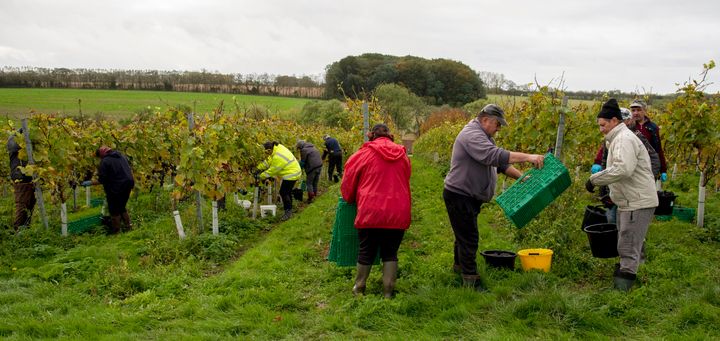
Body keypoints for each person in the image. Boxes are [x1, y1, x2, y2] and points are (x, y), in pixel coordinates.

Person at [443, 104, 545, 291]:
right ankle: (471, 281)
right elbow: (493, 156)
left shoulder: (484, 136)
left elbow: (497, 165)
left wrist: (520, 177)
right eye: (497, 124)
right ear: (485, 120)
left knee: (463, 235)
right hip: (460, 194)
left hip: (467, 195)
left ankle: (459, 269)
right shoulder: (472, 135)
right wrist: (528, 157)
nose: (499, 129)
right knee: (469, 237)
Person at [586, 99, 658, 291]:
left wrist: (595, 179)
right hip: (630, 200)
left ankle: (623, 294)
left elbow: (622, 169)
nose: (601, 129)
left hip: (637, 201)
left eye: (603, 125)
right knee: (626, 242)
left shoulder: (624, 140)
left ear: (614, 120)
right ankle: (628, 282)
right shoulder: (618, 138)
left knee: (628, 246)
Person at [341, 124, 411, 298]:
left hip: (370, 211)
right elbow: (406, 176)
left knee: (366, 250)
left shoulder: (362, 154)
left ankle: (359, 287)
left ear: (370, 135)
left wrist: (349, 198)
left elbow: (348, 181)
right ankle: (388, 292)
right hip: (397, 211)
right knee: (390, 252)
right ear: (390, 136)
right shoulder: (402, 155)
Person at [591, 108, 660, 224]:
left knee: (628, 232)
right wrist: (605, 187)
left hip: (632, 194)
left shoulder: (629, 138)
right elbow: (604, 157)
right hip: (616, 189)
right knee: (616, 226)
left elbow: (652, 159)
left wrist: (644, 180)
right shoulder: (612, 137)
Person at [82, 146, 135, 234]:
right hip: (128, 184)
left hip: (116, 187)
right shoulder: (121, 156)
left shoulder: (105, 161)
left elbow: (102, 180)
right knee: (121, 207)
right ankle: (129, 228)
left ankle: (116, 232)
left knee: (114, 211)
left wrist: (90, 183)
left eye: (100, 157)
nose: (100, 159)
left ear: (102, 154)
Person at [256, 141, 302, 220]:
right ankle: (290, 209)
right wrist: (258, 168)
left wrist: (260, 176)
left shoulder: (278, 157)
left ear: (269, 150)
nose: (266, 154)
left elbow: (272, 170)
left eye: (266, 152)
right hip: (293, 171)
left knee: (283, 192)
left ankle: (288, 212)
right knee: (287, 192)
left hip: (292, 174)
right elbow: (268, 161)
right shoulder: (277, 149)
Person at [630, 99, 667, 181]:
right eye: (633, 110)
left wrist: (663, 169)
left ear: (645, 111)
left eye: (639, 110)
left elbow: (658, 149)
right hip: (631, 165)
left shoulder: (653, 127)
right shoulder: (627, 126)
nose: (635, 113)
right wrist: (598, 161)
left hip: (649, 166)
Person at [7, 130, 36, 232]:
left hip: (29, 178)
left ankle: (25, 229)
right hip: (20, 178)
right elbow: (15, 146)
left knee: (30, 205)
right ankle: (17, 231)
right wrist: (26, 137)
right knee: (22, 205)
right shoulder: (12, 139)